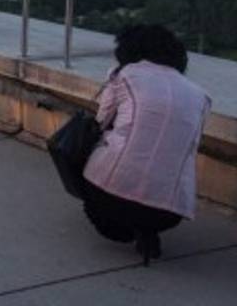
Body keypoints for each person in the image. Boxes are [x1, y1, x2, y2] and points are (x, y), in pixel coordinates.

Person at [82, 24, 211, 265]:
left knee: (86, 146)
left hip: (109, 194)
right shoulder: (200, 96)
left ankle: (119, 224)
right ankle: (147, 232)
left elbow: (100, 122)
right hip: (169, 211)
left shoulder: (126, 76)